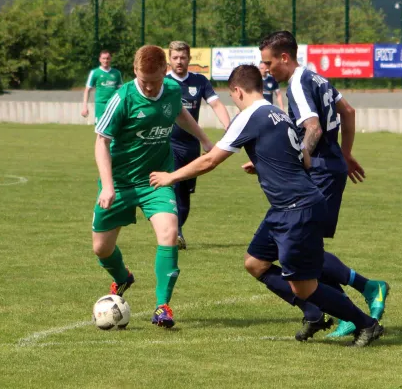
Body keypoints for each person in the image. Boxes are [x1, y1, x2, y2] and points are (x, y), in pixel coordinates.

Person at [150, 65, 384, 347]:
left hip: (296, 208)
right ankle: (313, 314)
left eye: (232, 95)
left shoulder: (248, 116)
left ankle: (366, 324)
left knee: (304, 286)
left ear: (237, 91)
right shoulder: (280, 114)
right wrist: (265, 162)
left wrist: (171, 176)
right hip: (287, 207)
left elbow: (211, 160)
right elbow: (305, 161)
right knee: (255, 263)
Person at [258, 31, 389, 338]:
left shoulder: (298, 85)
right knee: (302, 248)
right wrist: (344, 154)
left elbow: (313, 128)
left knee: (303, 248)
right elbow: (348, 112)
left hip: (319, 174)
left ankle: (359, 297)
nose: (265, 69)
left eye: (268, 62)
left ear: (284, 58)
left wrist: (300, 156)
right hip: (328, 169)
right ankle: (345, 303)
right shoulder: (316, 78)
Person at [92, 45, 214, 328]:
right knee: (101, 249)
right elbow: (101, 141)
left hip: (156, 179)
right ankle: (123, 278)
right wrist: (107, 186)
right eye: (143, 81)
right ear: (135, 71)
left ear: (164, 71)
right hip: (119, 183)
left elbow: (179, 114)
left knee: (170, 232)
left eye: (154, 81)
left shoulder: (171, 90)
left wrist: (205, 140)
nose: (148, 87)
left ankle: (162, 307)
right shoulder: (122, 98)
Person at [167, 41, 231, 250]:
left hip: (192, 147)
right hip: (169, 144)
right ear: (169, 59)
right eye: (175, 58)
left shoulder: (200, 81)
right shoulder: (163, 82)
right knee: (174, 188)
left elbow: (216, 104)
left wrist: (230, 127)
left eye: (183, 57)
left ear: (189, 59)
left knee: (185, 196)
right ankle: (175, 233)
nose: (179, 61)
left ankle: (177, 230)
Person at [82, 50, 123, 125]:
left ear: (110, 59)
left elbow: (121, 91)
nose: (106, 60)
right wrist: (85, 106)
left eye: (107, 58)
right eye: (104, 58)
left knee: (113, 128)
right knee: (100, 128)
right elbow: (87, 90)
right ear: (100, 59)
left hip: (113, 104)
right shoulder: (95, 72)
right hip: (100, 104)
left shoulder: (116, 73)